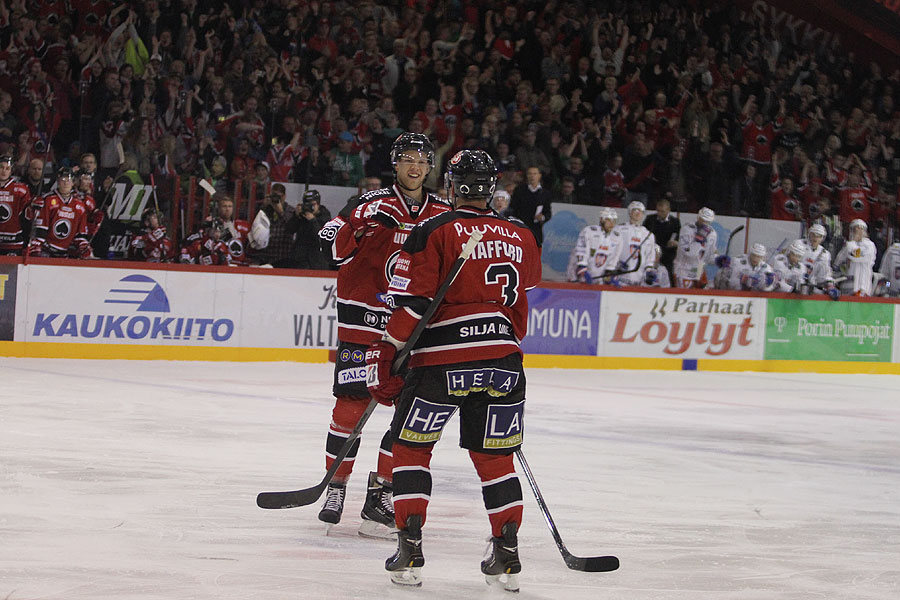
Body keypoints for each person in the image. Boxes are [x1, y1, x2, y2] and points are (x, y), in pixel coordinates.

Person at [365, 149, 541, 591]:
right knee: (496, 459)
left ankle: (409, 550)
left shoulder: (435, 229)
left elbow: (415, 304)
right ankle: (506, 556)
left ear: (451, 183)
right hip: (503, 361)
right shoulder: (521, 234)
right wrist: (500, 342)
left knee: (409, 449)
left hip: (440, 363)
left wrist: (387, 351)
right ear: (492, 185)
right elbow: (518, 305)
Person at [315, 133, 451, 538]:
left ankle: (381, 490)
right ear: (395, 163)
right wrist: (361, 222)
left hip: (413, 328)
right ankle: (336, 487)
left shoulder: (443, 211)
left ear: (430, 168)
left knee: (408, 415)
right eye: (407, 158)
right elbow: (328, 244)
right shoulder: (369, 202)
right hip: (364, 322)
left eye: (422, 160)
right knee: (350, 409)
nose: (415, 166)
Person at [28, 168, 91, 259]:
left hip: (66, 252)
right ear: (58, 182)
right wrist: (37, 245)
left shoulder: (79, 205)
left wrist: (83, 246)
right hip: (46, 250)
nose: (66, 183)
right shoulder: (48, 199)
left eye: (68, 180)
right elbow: (40, 228)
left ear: (73, 183)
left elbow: (80, 233)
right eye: (63, 180)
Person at [567, 207, 623, 283]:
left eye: (614, 221)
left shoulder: (617, 237)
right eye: (609, 220)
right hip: (579, 278)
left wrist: (610, 272)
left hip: (598, 280)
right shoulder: (589, 231)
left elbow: (615, 256)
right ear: (602, 220)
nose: (612, 224)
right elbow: (581, 250)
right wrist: (582, 268)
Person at [673, 207, 717, 288]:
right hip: (683, 269)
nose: (704, 223)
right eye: (703, 220)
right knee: (683, 295)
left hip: (699, 270)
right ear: (698, 217)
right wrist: (698, 242)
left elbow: (709, 257)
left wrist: (719, 260)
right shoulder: (687, 229)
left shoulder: (712, 234)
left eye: (707, 221)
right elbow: (687, 253)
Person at [613, 200, 655, 286]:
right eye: (634, 210)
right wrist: (617, 264)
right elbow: (612, 249)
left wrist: (649, 271)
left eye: (640, 211)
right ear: (629, 212)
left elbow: (650, 256)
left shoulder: (648, 234)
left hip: (639, 280)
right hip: (620, 277)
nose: (637, 213)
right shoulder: (619, 229)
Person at [509, 166, 552, 247]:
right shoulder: (519, 190)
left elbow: (548, 213)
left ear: (539, 176)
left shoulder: (545, 193)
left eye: (535, 174)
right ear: (527, 176)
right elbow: (513, 208)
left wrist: (542, 217)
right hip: (520, 229)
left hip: (536, 231)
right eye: (530, 174)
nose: (532, 176)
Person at [0, 155, 33, 255]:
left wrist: (34, 206)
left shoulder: (21, 189)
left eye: (7, 168)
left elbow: (28, 215)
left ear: (11, 170)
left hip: (13, 241)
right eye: (1, 167)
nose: (4, 171)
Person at [834, 219, 876, 296]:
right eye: (855, 229)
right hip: (846, 286)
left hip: (861, 286)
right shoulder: (847, 245)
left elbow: (856, 256)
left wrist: (852, 243)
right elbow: (837, 263)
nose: (858, 231)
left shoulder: (869, 245)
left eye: (860, 229)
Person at [643, 195, 680, 277]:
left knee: (668, 275)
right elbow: (644, 233)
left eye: (662, 211)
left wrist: (674, 242)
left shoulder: (675, 222)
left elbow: (677, 235)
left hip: (667, 254)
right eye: (658, 211)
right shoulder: (650, 219)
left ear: (668, 210)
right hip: (652, 252)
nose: (659, 214)